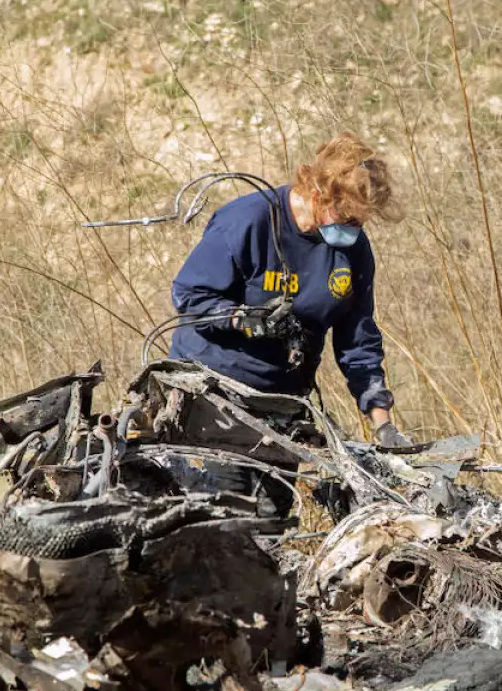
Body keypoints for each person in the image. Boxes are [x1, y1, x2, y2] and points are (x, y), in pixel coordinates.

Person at [168, 133, 411, 511]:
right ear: (319, 194)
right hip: (213, 400)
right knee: (225, 522)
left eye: (360, 222)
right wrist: (244, 320)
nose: (352, 229)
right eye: (346, 218)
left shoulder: (353, 250)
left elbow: (358, 339)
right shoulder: (247, 221)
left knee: (273, 524)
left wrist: (383, 423)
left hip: (282, 408)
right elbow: (190, 296)